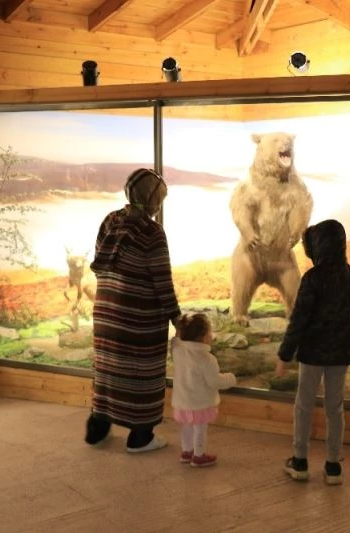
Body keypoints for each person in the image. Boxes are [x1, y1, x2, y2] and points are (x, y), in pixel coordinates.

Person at [84, 168, 182, 453]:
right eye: (159, 200)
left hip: (106, 312)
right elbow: (162, 281)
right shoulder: (152, 232)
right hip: (138, 320)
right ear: (152, 199)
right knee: (141, 374)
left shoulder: (111, 220)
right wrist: (177, 318)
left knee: (107, 371)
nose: (159, 205)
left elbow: (102, 258)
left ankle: (97, 428)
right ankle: (141, 436)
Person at [275, 219, 350, 485]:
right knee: (335, 408)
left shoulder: (313, 278)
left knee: (303, 406)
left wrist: (285, 354)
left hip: (312, 354)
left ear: (319, 245)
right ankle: (332, 466)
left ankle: (300, 460)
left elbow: (299, 319)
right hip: (341, 355)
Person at [170, 313, 236, 467]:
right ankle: (199, 456)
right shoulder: (207, 359)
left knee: (186, 427)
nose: (211, 335)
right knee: (200, 428)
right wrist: (230, 378)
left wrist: (180, 330)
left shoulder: (178, 350)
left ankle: (186, 452)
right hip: (200, 403)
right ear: (203, 336)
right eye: (210, 331)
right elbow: (214, 381)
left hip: (181, 402)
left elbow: (175, 340)